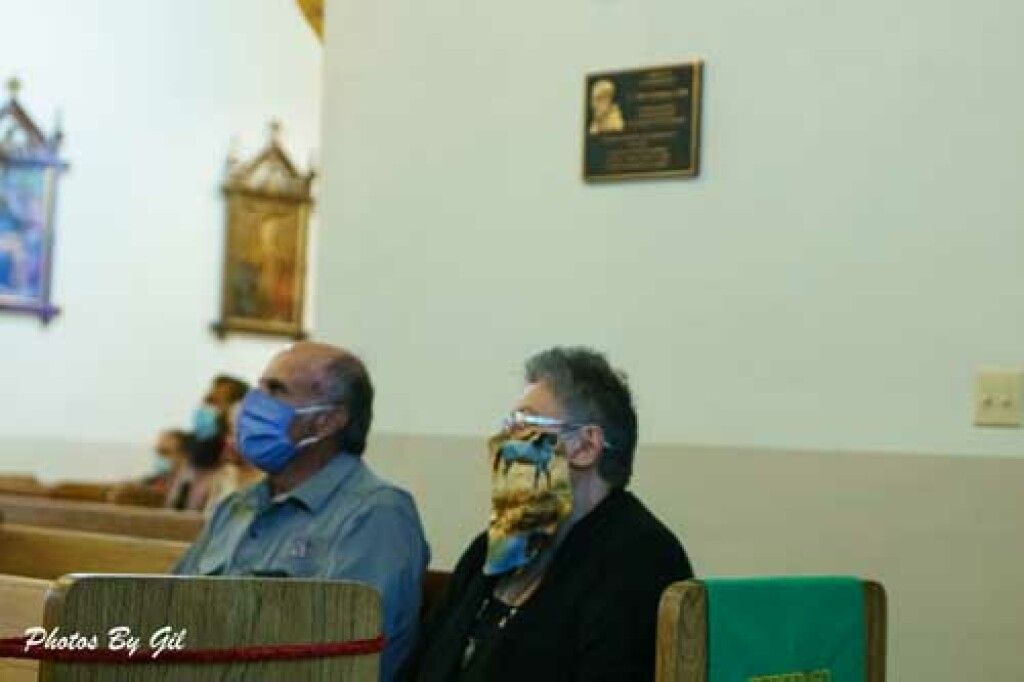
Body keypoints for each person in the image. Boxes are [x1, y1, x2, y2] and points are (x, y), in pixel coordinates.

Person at [402, 347, 693, 682]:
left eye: (524, 424)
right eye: (507, 426)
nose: (503, 442)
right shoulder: (491, 549)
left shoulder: (642, 558)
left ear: (585, 447)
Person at [173, 342, 430, 681]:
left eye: (276, 390)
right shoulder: (238, 506)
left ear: (327, 422)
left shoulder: (376, 515)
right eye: (259, 387)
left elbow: (344, 663)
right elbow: (169, 609)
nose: (250, 405)